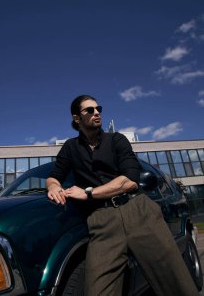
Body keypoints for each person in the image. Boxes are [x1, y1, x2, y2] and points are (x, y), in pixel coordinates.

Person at [46, 94, 199, 296]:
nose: (97, 112)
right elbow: (54, 176)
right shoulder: (70, 148)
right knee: (97, 290)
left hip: (137, 211)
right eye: (89, 110)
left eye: (98, 108)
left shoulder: (117, 140)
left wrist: (89, 193)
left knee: (175, 283)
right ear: (77, 118)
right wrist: (53, 187)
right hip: (101, 220)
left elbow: (129, 180)